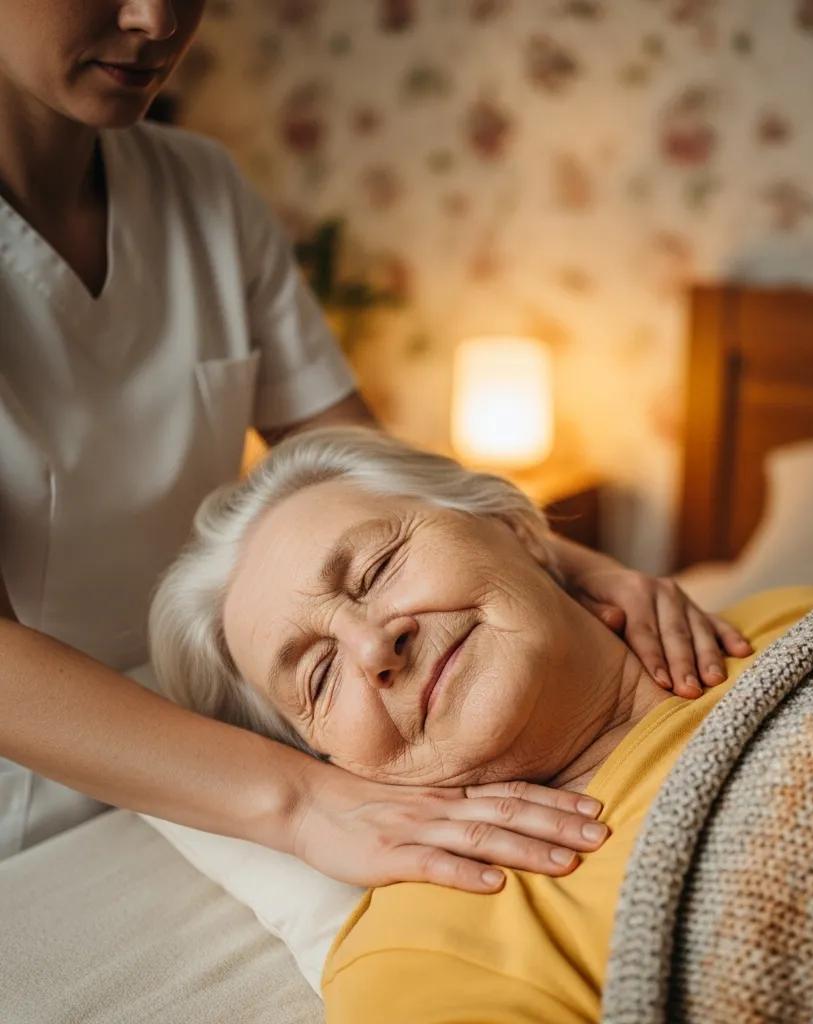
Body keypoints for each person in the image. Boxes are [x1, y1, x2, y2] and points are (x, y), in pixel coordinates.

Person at [0, 0, 750, 888]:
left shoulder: (198, 186)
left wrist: (558, 563)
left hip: (240, 736)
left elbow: (347, 454)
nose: (156, 17)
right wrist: (304, 803)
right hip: (37, 801)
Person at [149, 425, 813, 1022]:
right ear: (324, 759)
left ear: (510, 526)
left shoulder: (794, 620)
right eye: (319, 676)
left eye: (378, 569)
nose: (372, 648)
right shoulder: (425, 957)